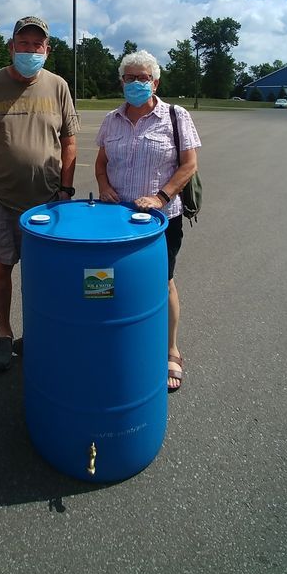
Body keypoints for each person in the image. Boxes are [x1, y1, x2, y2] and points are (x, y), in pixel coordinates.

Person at [0, 16, 79, 371]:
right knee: (1, 268)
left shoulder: (58, 86)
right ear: (11, 47)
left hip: (49, 202)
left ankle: (38, 333)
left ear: (47, 50)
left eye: (37, 45)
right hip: (0, 200)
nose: (29, 50)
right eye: (23, 44)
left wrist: (65, 190)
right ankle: (4, 334)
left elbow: (69, 142)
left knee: (46, 274)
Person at [95, 49, 201, 392]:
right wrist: (104, 185)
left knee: (162, 282)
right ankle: (120, 340)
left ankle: (171, 349)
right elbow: (101, 162)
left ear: (155, 81)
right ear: (121, 82)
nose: (137, 83)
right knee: (111, 282)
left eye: (144, 78)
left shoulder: (175, 115)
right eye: (130, 78)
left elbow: (189, 165)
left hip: (159, 222)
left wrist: (161, 197)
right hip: (116, 221)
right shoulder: (112, 119)